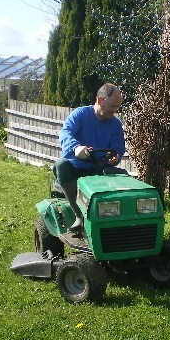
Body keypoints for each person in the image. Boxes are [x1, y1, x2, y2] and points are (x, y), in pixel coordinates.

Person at [54, 83, 126, 233]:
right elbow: (65, 133)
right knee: (61, 165)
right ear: (100, 100)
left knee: (124, 176)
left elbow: (118, 148)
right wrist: (77, 148)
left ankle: (120, 219)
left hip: (100, 169)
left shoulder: (115, 125)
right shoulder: (80, 115)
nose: (115, 111)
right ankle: (79, 215)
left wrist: (116, 157)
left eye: (117, 108)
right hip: (76, 168)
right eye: (112, 106)